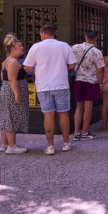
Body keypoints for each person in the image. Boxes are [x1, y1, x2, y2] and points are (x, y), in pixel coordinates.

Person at [23, 24, 76, 155]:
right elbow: (72, 65)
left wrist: (40, 69)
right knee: (63, 113)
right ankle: (66, 143)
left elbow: (27, 67)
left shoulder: (36, 47)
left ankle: (50, 146)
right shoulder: (64, 46)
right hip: (61, 84)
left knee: (48, 114)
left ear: (43, 33)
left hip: (43, 85)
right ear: (53, 34)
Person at [0, 34, 29, 155]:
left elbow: (3, 78)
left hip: (6, 91)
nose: (22, 47)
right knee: (11, 118)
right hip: (10, 93)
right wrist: (16, 94)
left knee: (6, 118)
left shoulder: (6, 61)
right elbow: (12, 79)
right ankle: (12, 146)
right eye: (19, 46)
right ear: (12, 48)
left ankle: (4, 144)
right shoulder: (13, 62)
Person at [71, 30, 104, 141]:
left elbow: (70, 62)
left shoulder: (75, 48)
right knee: (88, 107)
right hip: (91, 81)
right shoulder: (97, 52)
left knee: (79, 107)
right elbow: (100, 70)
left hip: (77, 80)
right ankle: (85, 131)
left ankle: (76, 132)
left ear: (85, 37)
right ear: (95, 38)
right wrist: (100, 83)